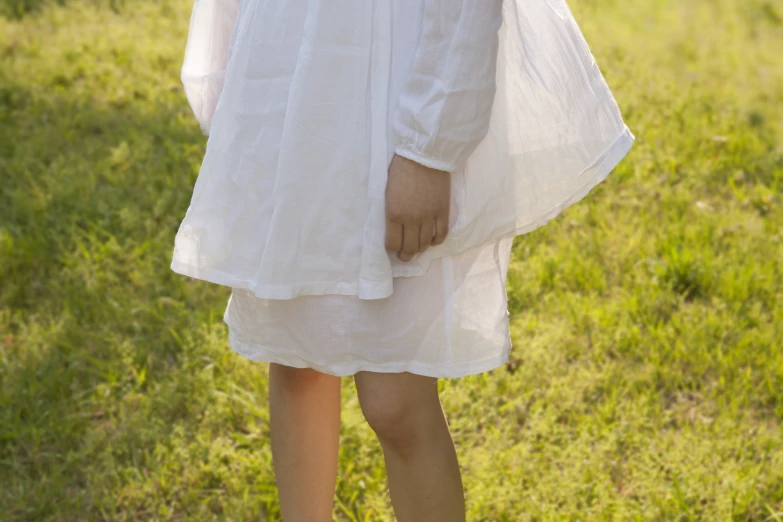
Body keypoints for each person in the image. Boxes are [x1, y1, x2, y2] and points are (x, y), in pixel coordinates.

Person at [171, 0, 635, 519]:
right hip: (294, 71)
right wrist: (236, 73)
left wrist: (429, 147)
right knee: (298, 359)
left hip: (398, 79)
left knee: (394, 398)